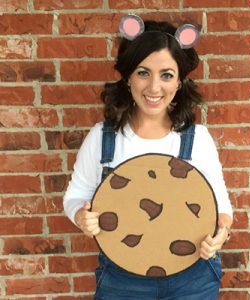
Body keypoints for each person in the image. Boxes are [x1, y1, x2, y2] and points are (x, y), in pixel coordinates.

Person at [64, 14, 233, 300]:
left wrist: (221, 235)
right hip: (122, 280)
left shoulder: (196, 139)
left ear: (179, 82)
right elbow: (74, 196)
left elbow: (221, 207)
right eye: (143, 72)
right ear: (128, 76)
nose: (154, 88)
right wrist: (82, 216)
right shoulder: (103, 138)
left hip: (193, 278)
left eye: (166, 74)